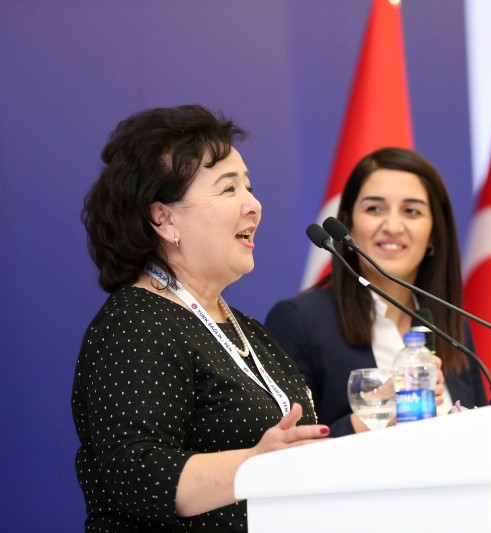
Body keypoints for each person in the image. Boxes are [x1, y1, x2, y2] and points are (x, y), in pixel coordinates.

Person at [72, 104, 329, 532]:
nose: (254, 205)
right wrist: (253, 465)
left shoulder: (247, 330)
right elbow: (135, 471)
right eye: (228, 189)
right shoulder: (137, 323)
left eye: (249, 187)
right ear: (163, 218)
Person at [265, 147, 488, 437]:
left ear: (434, 234)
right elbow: (286, 451)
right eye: (375, 209)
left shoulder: (450, 326)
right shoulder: (300, 322)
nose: (392, 226)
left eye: (411, 211)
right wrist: (375, 415)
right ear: (348, 224)